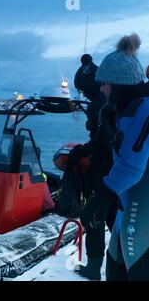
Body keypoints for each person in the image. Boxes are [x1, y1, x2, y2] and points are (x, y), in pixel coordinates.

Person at [80, 33, 149, 281]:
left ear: (119, 83)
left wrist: (97, 201)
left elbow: (131, 167)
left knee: (130, 269)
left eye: (104, 83)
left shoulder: (142, 111)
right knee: (116, 266)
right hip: (129, 206)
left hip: (140, 212)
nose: (101, 89)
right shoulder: (128, 110)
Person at [69, 54, 117, 280]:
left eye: (83, 90)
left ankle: (94, 269)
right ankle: (119, 267)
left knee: (94, 220)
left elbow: (102, 143)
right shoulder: (113, 100)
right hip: (117, 174)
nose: (83, 94)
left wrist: (82, 151)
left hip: (104, 172)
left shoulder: (98, 105)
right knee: (114, 221)